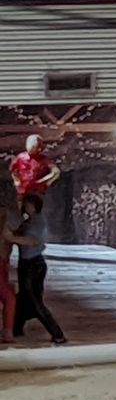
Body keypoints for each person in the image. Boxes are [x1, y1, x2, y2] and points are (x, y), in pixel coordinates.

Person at [12, 195, 63, 345]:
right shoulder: (28, 221)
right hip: (26, 264)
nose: (26, 207)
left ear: (35, 206)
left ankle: (57, 333)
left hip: (33, 265)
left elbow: (32, 240)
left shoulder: (38, 222)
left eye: (28, 204)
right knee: (22, 298)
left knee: (34, 301)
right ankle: (16, 329)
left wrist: (10, 238)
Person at [0, 211, 37, 344]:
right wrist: (32, 240)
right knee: (9, 298)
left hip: (2, 269)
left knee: (9, 298)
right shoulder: (5, 231)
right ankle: (8, 333)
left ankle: (8, 332)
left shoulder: (6, 229)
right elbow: (12, 238)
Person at [10, 135, 58, 203]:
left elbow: (56, 172)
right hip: (23, 189)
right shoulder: (21, 157)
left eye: (38, 147)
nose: (39, 149)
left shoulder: (43, 159)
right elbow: (13, 170)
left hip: (37, 190)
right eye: (32, 147)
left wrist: (44, 182)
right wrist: (17, 181)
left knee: (37, 207)